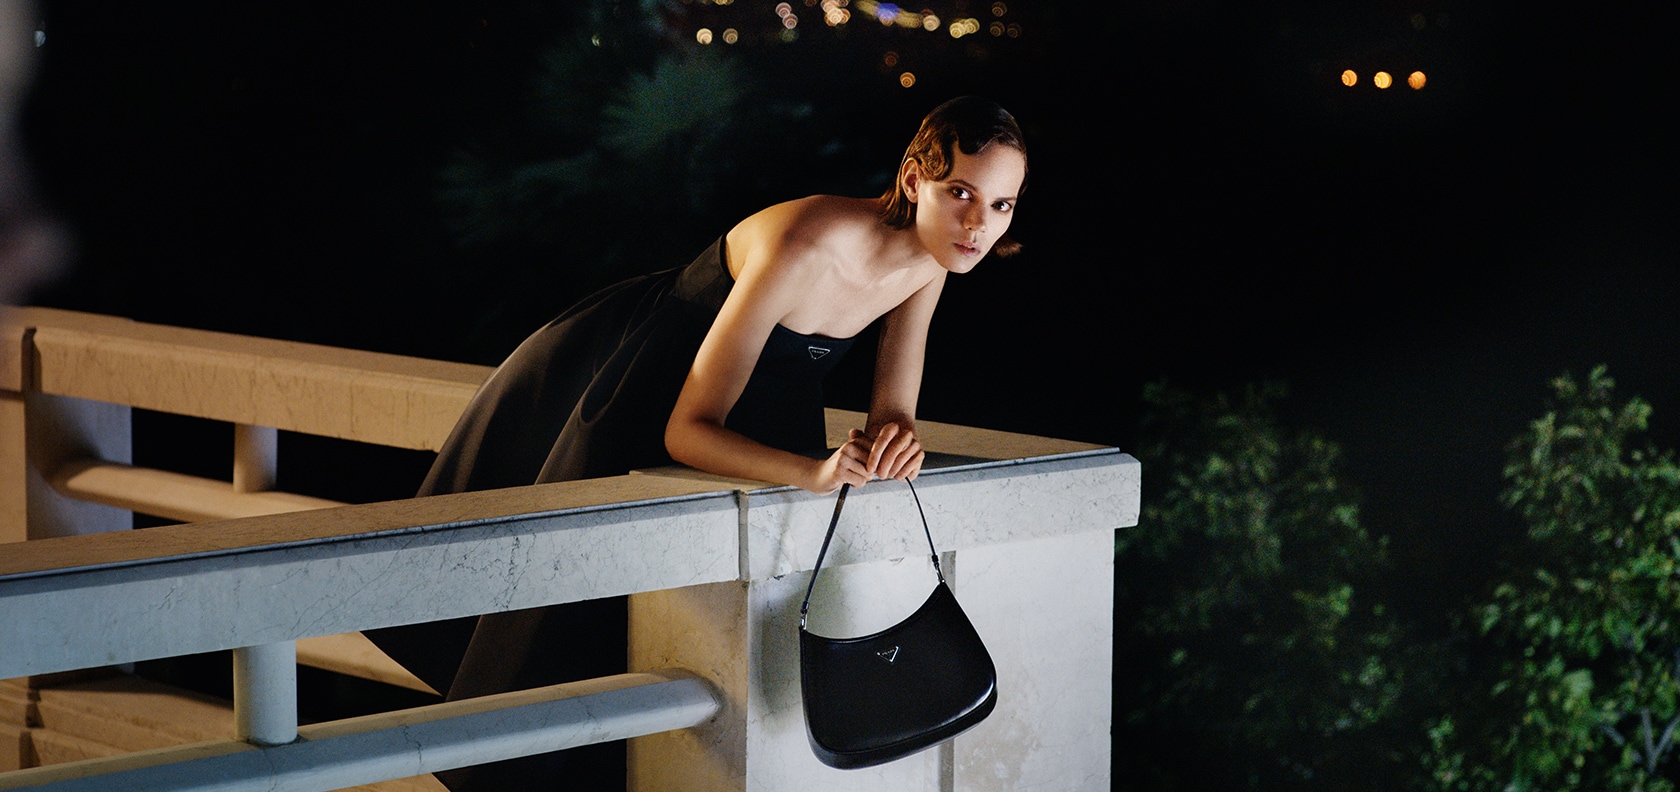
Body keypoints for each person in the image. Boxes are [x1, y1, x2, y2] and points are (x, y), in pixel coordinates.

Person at [369, 95, 1028, 790]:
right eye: (961, 193)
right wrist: (812, 471)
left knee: (697, 646)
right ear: (914, 180)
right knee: (562, 636)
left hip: (768, 409)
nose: (977, 225)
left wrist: (899, 444)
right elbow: (685, 430)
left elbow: (894, 413)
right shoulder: (807, 243)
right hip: (645, 376)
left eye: (1001, 205)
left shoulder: (933, 260)